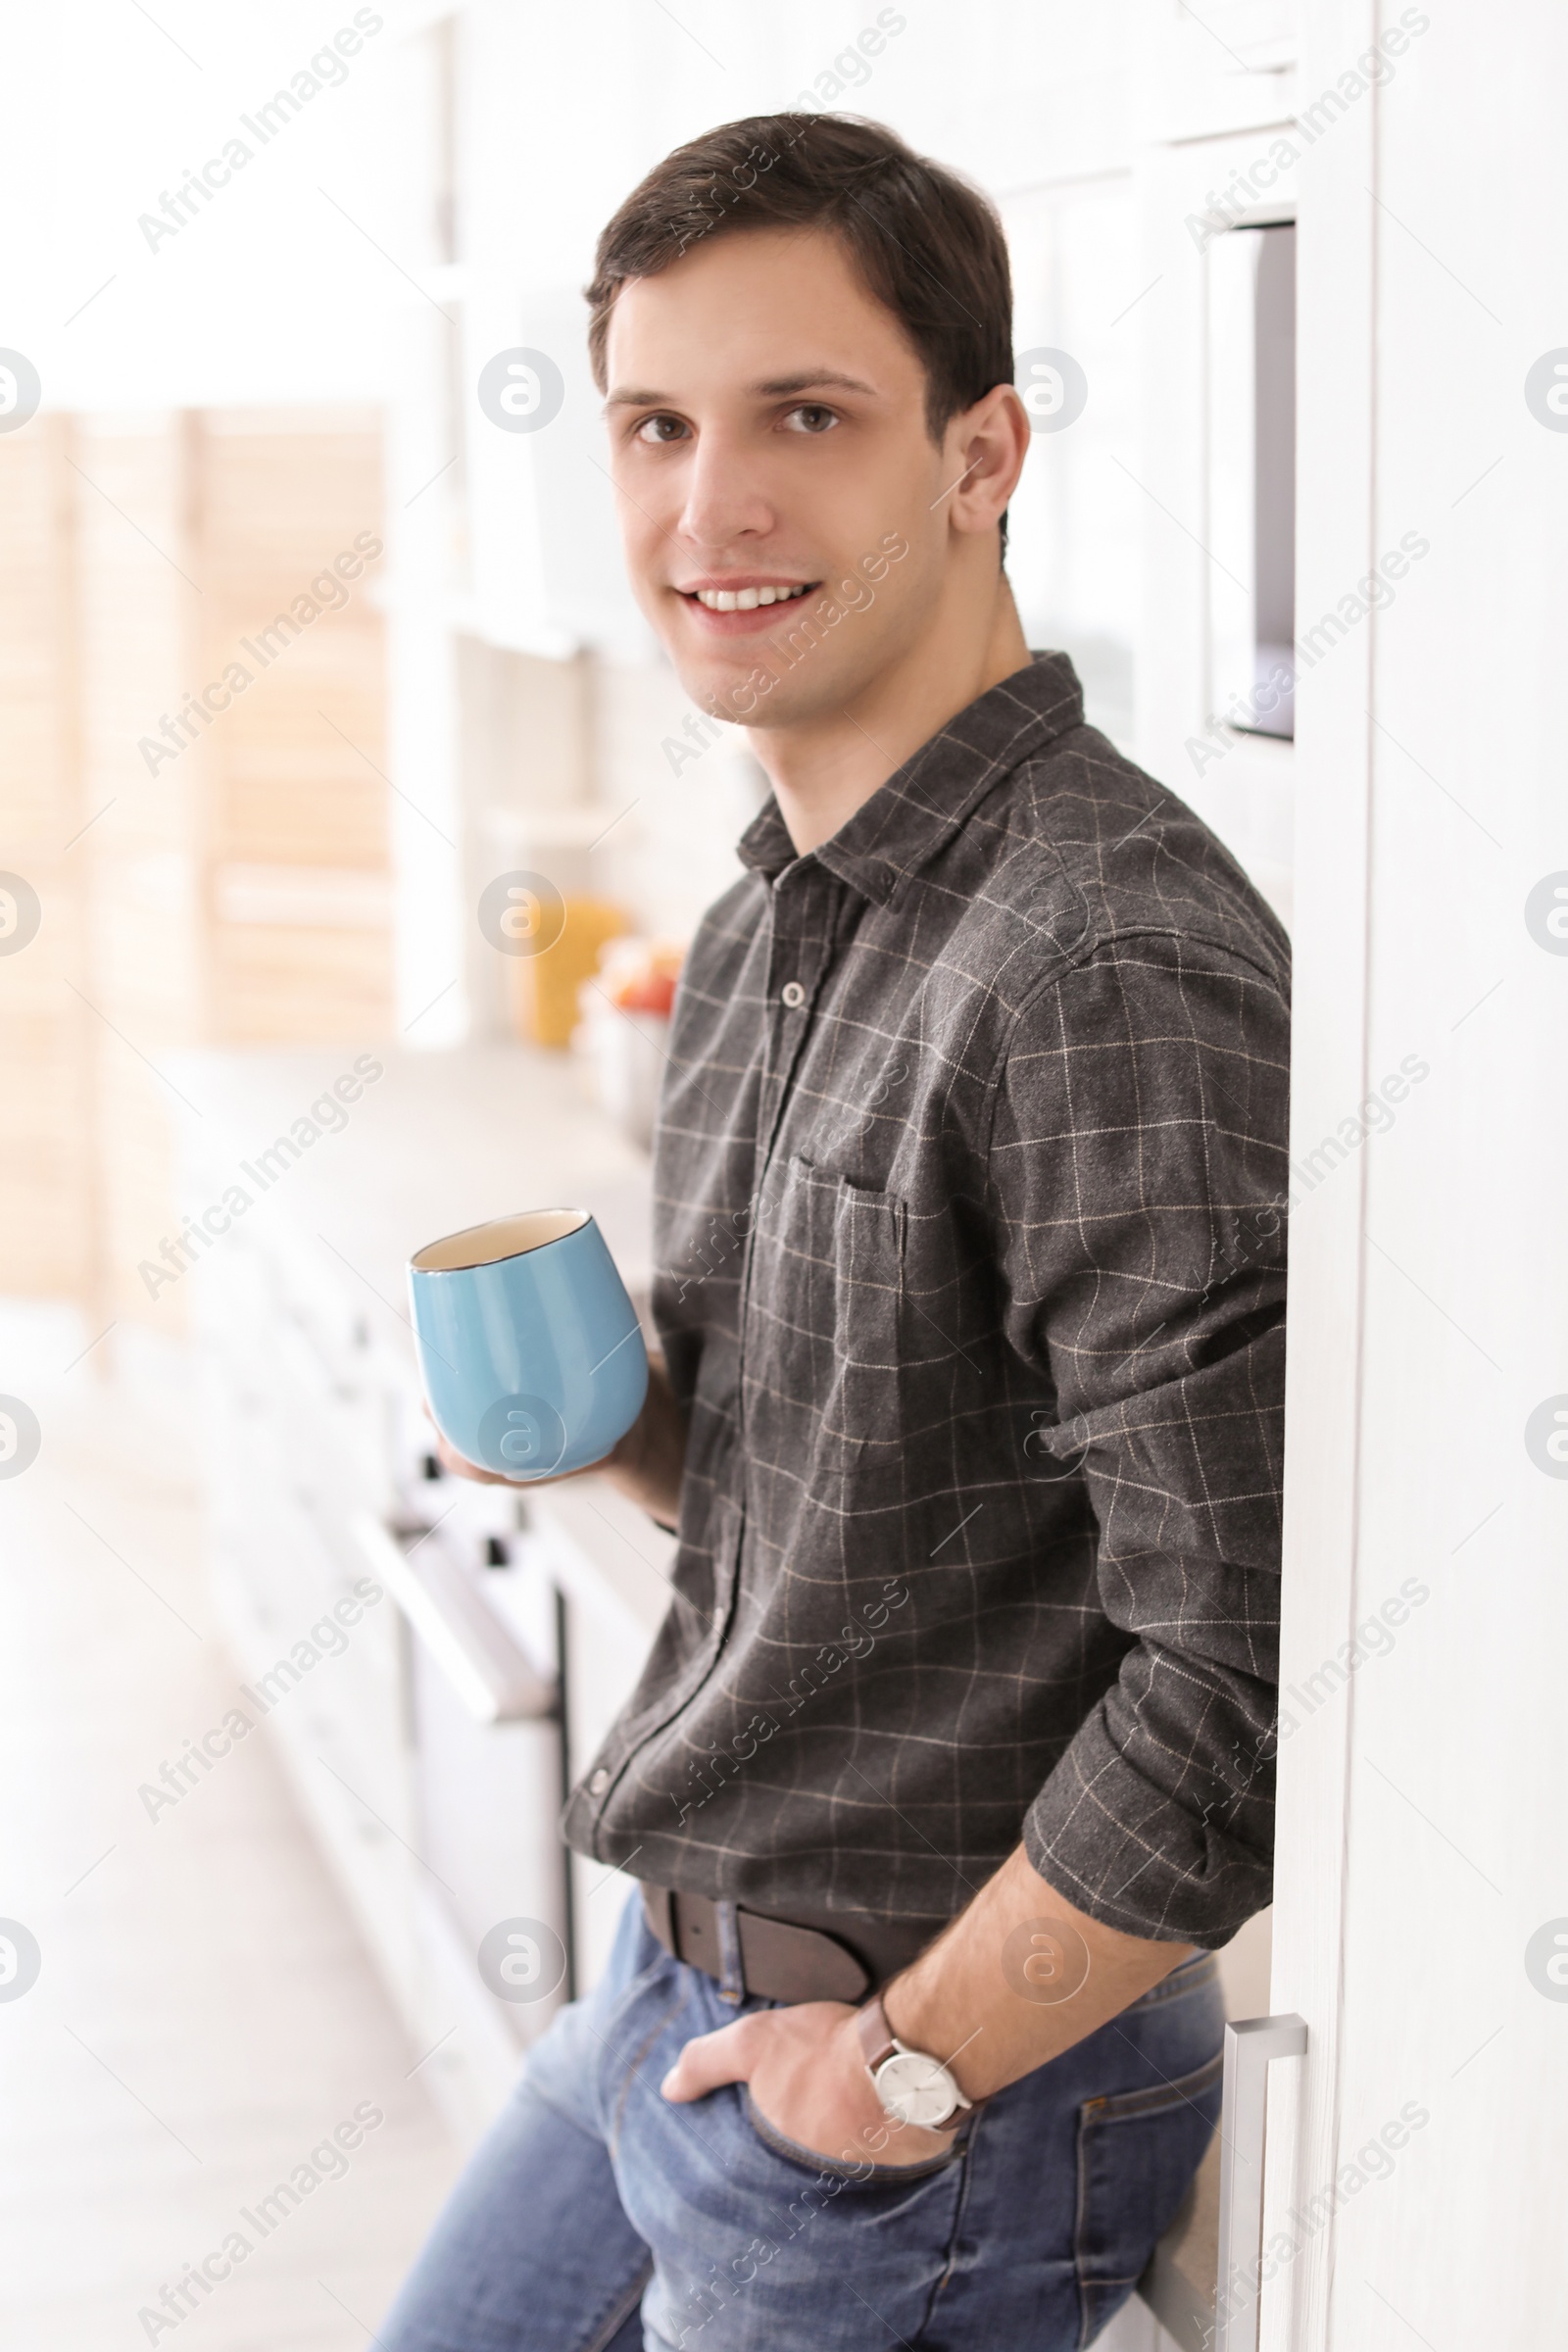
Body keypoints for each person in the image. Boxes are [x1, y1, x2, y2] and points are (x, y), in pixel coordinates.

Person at [382, 111, 1290, 2352]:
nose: (713, 509)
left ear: (977, 453)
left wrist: (891, 2076)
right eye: (655, 428)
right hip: (674, 1991)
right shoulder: (779, 907)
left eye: (805, 415)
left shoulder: (1090, 951)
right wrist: (618, 1418)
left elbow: (1237, 1678)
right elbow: (885, 1496)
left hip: (918, 2098)